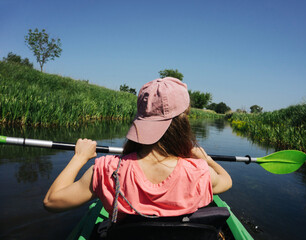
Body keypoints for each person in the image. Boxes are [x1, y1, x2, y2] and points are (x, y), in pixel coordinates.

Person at [43, 77, 232, 222]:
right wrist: (206, 160)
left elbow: (51, 202)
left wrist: (80, 157)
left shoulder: (108, 170)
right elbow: (227, 181)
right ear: (183, 122)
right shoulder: (199, 172)